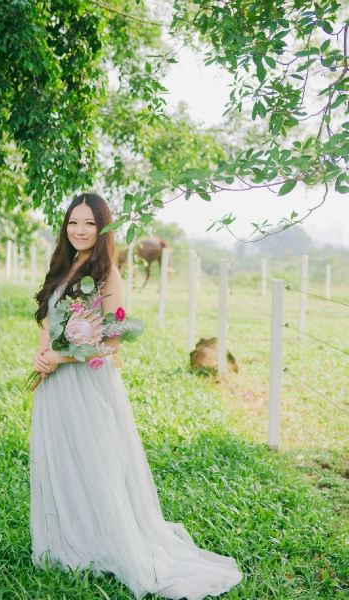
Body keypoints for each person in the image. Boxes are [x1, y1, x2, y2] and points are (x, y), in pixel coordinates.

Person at [30, 193, 242, 599]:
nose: (79, 230)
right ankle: (69, 540)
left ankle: (105, 543)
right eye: (73, 222)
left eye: (89, 223)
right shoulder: (61, 266)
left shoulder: (107, 273)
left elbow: (111, 346)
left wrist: (59, 355)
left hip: (87, 383)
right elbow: (49, 319)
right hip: (55, 382)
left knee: (97, 464)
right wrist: (41, 356)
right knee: (63, 460)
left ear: (102, 228)